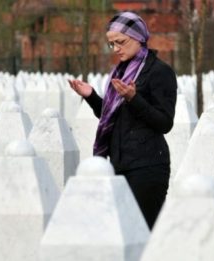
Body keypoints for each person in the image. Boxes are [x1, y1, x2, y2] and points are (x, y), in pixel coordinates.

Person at [68, 11, 177, 229]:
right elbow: (113, 118)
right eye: (112, 44)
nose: (116, 48)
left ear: (138, 37)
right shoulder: (121, 71)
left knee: (143, 232)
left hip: (147, 167)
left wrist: (133, 98)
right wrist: (91, 96)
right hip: (118, 164)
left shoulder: (160, 72)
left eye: (120, 42)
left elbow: (165, 122)